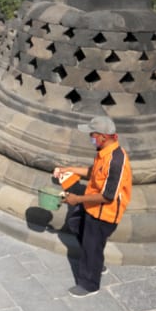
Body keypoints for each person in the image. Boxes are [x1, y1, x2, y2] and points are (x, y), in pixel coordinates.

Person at [53, 115, 132, 297]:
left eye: (92, 134)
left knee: (91, 245)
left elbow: (108, 196)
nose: (90, 137)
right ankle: (95, 260)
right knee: (75, 223)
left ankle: (89, 285)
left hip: (104, 213)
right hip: (91, 205)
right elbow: (93, 173)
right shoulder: (103, 152)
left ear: (103, 136)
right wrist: (70, 169)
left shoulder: (116, 161)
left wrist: (77, 200)